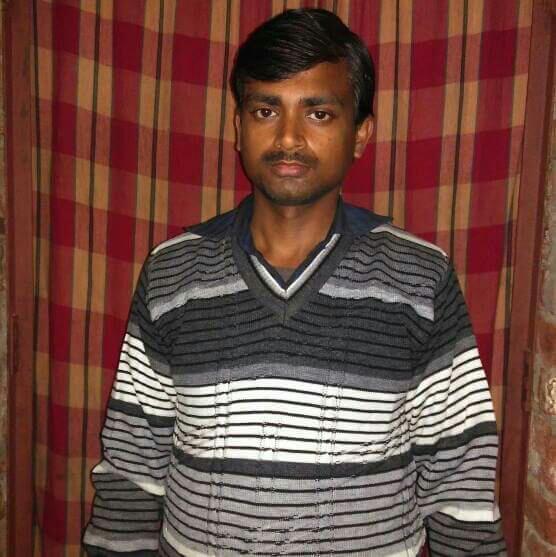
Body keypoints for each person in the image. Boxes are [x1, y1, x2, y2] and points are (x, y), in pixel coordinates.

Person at [83, 8, 506, 556]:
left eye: (319, 114)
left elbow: (461, 482)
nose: (288, 137)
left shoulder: (419, 278)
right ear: (239, 127)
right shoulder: (173, 273)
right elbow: (132, 470)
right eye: (266, 110)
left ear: (360, 134)